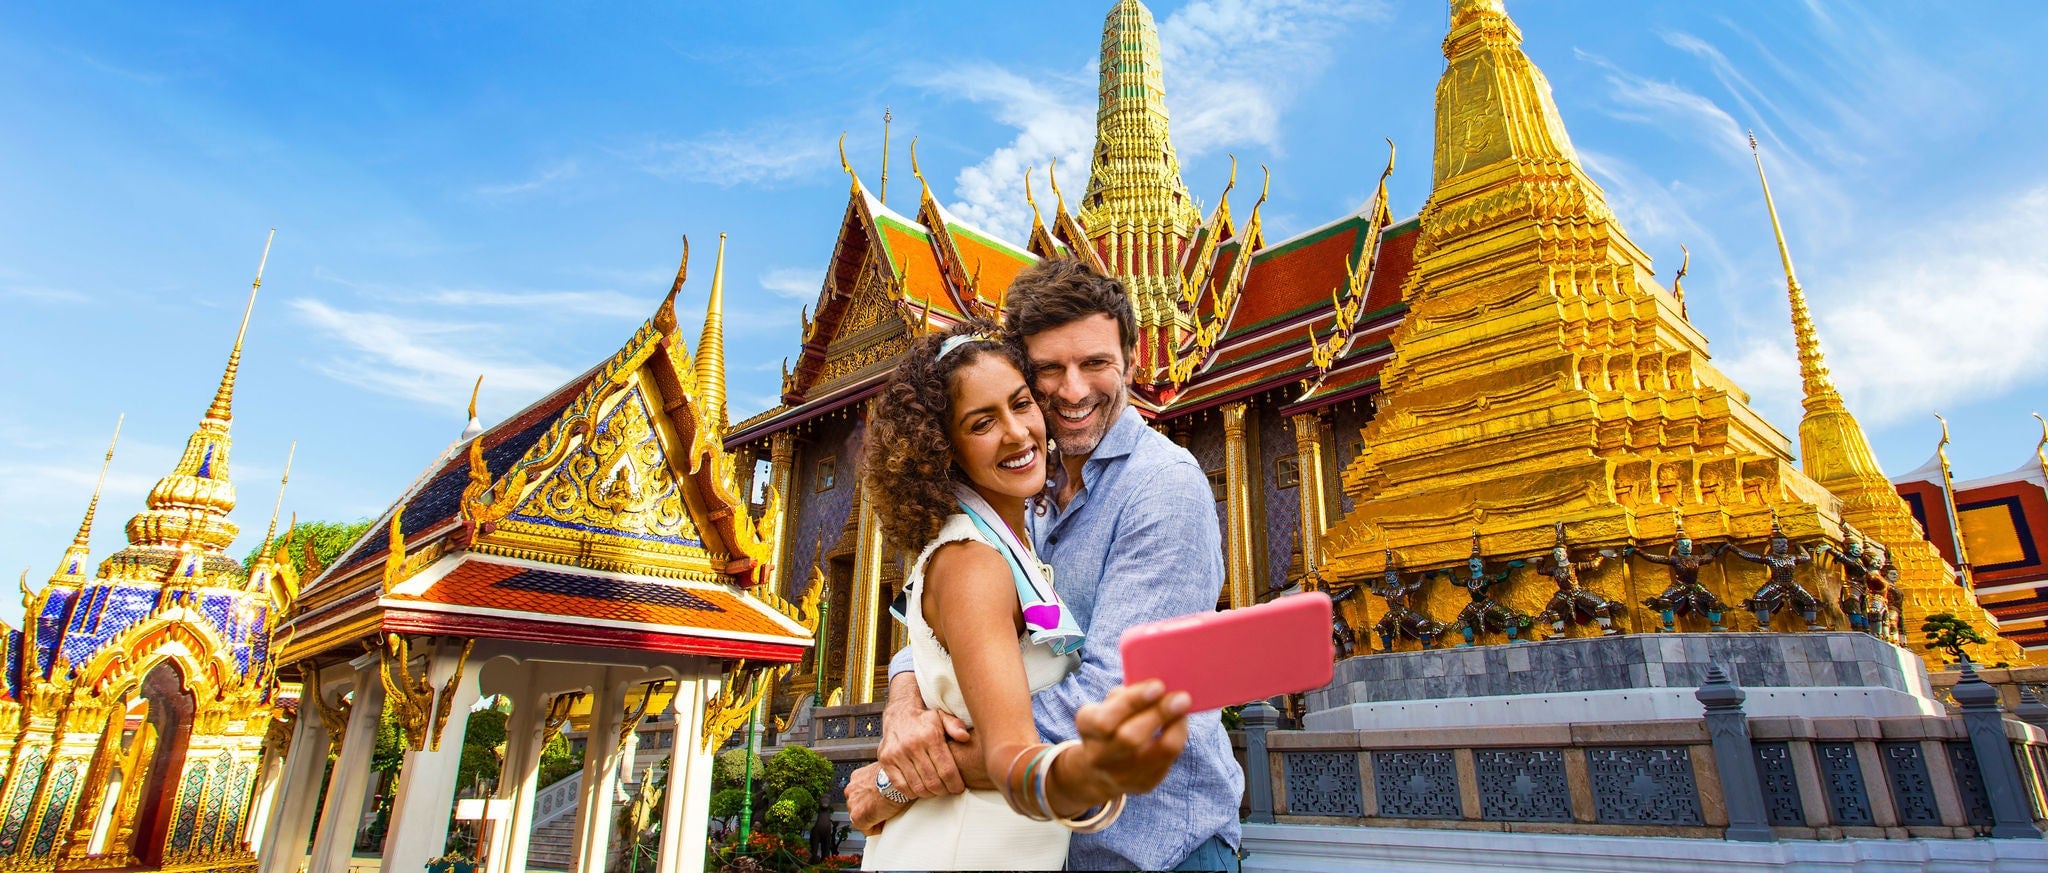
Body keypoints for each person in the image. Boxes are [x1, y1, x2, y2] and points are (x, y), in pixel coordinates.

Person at [851, 259, 1244, 872]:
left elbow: (1111, 700)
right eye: (1049, 371)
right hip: (1035, 845)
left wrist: (903, 778)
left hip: (1153, 850)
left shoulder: (1161, 488)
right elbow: (945, 632)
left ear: (1132, 362)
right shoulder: (1021, 493)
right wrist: (904, 705)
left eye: (1095, 363)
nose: (1073, 390)